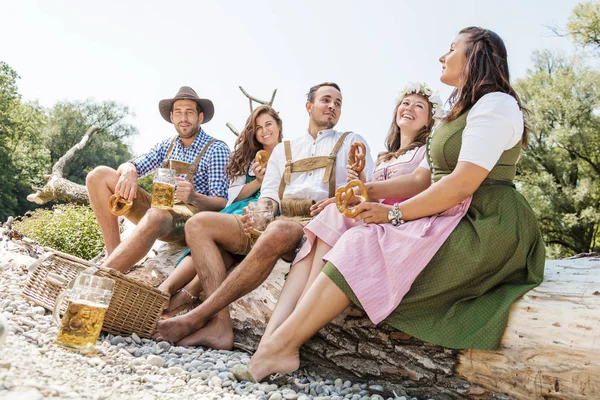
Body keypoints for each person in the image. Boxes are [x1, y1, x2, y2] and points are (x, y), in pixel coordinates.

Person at [248, 27, 546, 382]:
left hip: (487, 222)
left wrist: (393, 214)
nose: (442, 56)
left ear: (475, 56)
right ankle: (277, 338)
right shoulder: (458, 112)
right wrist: (365, 191)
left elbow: (462, 182)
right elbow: (424, 179)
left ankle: (282, 345)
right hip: (450, 210)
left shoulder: (496, 104)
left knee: (364, 240)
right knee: (337, 214)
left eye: (452, 49)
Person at [154, 82, 374, 349]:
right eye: (326, 100)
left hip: (315, 225)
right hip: (278, 219)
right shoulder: (285, 150)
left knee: (278, 231)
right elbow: (270, 195)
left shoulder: (352, 142)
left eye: (338, 103)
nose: (332, 106)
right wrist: (261, 211)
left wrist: (347, 192)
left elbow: (365, 190)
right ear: (309, 106)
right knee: (199, 224)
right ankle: (220, 326)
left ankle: (194, 317)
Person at [262, 82, 443, 340]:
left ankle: (295, 319)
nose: (409, 108)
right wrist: (351, 188)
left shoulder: (426, 152)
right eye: (405, 103)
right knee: (323, 227)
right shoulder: (384, 158)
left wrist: (358, 190)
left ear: (428, 121)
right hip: (372, 217)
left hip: (399, 221)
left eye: (419, 106)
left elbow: (414, 186)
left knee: (334, 214)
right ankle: (271, 333)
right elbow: (364, 194)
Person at [86, 86, 230, 273]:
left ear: (200, 117)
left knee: (157, 213)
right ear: (172, 117)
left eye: (189, 113)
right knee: (98, 176)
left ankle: (102, 273)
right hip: (159, 212)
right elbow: (135, 164)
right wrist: (129, 170)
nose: (183, 119)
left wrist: (193, 197)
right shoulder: (166, 145)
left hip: (188, 223)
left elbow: (222, 204)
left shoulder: (217, 149)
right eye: (178, 113)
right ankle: (114, 256)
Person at [158, 105, 283, 316]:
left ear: (279, 125)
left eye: (268, 124)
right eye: (258, 127)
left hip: (270, 211)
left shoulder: (291, 155)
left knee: (225, 248)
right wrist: (258, 182)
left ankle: (182, 294)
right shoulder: (249, 159)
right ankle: (166, 290)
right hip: (240, 207)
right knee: (217, 245)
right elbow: (232, 195)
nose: (264, 131)